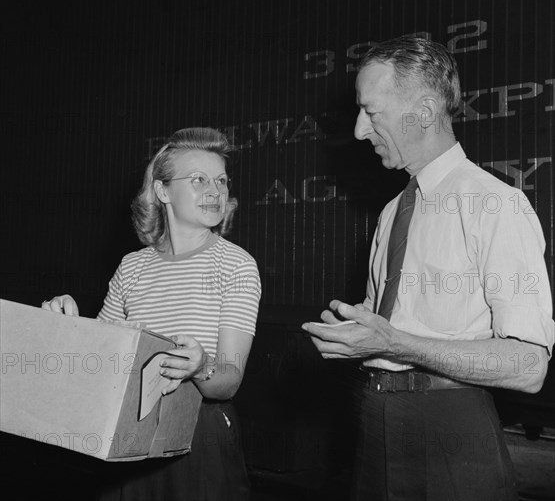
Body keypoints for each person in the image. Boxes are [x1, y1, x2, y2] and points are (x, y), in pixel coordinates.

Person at [302, 36, 554, 501]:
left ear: (425, 108)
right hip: (373, 417)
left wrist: (396, 342)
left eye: (371, 112)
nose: (359, 130)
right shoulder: (392, 212)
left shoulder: (496, 204)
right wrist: (360, 335)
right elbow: (392, 327)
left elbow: (529, 365)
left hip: (451, 425)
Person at [42, 127, 261, 501]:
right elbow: (99, 360)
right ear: (162, 191)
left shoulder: (236, 265)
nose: (216, 191)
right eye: (198, 180)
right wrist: (67, 326)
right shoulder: (132, 267)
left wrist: (200, 366)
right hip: (127, 428)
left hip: (198, 434)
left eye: (222, 180)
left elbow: (228, 380)